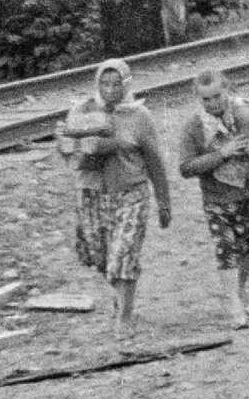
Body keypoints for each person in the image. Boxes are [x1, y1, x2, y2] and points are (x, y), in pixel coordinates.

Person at [57, 59, 170, 339]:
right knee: (101, 257)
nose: (110, 89)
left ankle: (125, 316)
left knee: (124, 254)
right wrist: (78, 147)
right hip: (93, 194)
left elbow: (155, 160)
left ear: (127, 84)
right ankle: (121, 298)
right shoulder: (82, 110)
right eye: (104, 83)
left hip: (131, 193)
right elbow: (67, 150)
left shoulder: (139, 116)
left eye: (116, 83)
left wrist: (164, 201)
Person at [174, 67, 249, 329]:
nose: (212, 103)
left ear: (227, 90)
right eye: (206, 99)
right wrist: (220, 154)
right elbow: (185, 168)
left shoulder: (245, 115)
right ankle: (235, 304)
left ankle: (238, 292)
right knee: (226, 249)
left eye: (217, 96)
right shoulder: (194, 127)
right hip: (217, 199)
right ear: (198, 99)